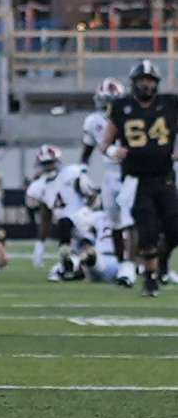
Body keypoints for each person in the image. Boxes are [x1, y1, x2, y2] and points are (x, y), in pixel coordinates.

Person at [101, 60, 178, 297]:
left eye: (150, 80)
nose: (146, 84)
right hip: (136, 181)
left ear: (156, 83)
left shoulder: (170, 104)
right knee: (148, 231)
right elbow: (105, 143)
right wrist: (113, 151)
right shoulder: (121, 106)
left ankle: (162, 263)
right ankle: (151, 279)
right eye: (142, 80)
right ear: (134, 83)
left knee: (175, 228)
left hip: (164, 177)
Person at [81, 78, 132, 282]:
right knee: (115, 222)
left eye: (109, 100)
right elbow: (86, 152)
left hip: (132, 173)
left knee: (134, 222)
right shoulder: (94, 121)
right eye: (103, 100)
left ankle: (135, 265)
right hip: (110, 175)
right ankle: (123, 266)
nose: (105, 105)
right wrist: (82, 172)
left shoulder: (130, 115)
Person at [25, 144, 96, 274]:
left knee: (90, 255)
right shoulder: (38, 186)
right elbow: (46, 217)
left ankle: (69, 264)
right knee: (75, 253)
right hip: (66, 228)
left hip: (83, 218)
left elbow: (92, 196)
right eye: (45, 163)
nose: (48, 166)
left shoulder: (72, 173)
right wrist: (40, 244)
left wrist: (92, 215)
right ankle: (71, 264)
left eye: (50, 162)